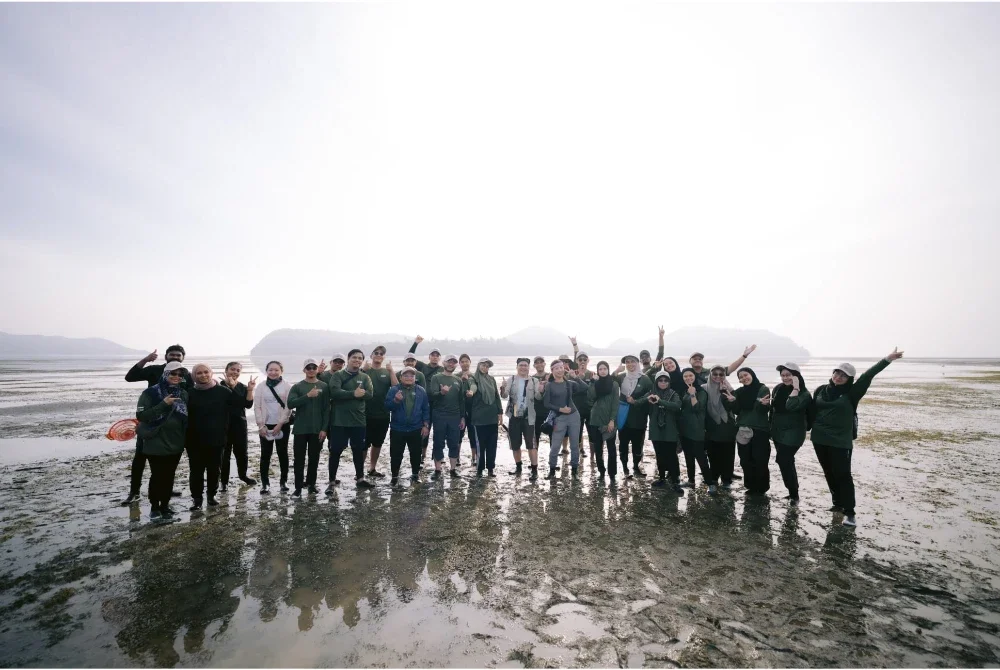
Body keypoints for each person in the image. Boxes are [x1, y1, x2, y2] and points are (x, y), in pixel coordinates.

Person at [811, 348, 904, 527]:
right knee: (829, 472)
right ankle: (837, 504)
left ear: (849, 379)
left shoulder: (852, 393)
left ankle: (850, 512)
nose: (838, 377)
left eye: (843, 376)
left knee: (843, 475)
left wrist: (887, 359)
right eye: (836, 373)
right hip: (819, 439)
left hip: (840, 441)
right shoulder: (821, 390)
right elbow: (811, 411)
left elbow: (867, 376)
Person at [119, 344, 194, 506]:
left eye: (178, 356)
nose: (175, 357)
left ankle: (165, 490)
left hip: (172, 427)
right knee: (140, 457)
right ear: (166, 356)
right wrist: (145, 360)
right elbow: (129, 377)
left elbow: (192, 394)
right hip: (151, 424)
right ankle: (134, 492)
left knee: (168, 463)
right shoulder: (154, 370)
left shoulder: (185, 374)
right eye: (172, 355)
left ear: (182, 358)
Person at [186, 363, 256, 510]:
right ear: (194, 376)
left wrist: (234, 387)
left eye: (206, 372)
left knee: (214, 469)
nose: (203, 375)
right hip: (194, 439)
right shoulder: (189, 393)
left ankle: (211, 496)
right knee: (196, 471)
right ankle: (197, 499)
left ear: (211, 373)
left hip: (216, 438)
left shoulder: (223, 391)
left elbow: (244, 403)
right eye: (199, 373)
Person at [135, 361, 189, 521]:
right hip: (156, 441)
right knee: (157, 475)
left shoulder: (183, 393)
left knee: (170, 475)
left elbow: (186, 418)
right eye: (173, 373)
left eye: (180, 374)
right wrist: (163, 404)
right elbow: (142, 416)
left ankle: (165, 506)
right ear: (165, 374)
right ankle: (154, 507)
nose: (177, 377)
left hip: (176, 442)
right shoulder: (150, 393)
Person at [327, 349, 376, 491]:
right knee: (335, 450)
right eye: (354, 357)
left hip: (358, 420)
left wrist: (361, 393)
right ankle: (331, 482)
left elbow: (370, 394)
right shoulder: (338, 375)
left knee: (358, 449)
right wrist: (353, 393)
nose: (357, 360)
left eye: (360, 358)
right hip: (339, 421)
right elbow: (334, 392)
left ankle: (360, 478)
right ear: (348, 359)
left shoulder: (365, 377)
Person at [286, 359, 330, 497]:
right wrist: (308, 396)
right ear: (304, 370)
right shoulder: (297, 387)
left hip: (317, 429)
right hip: (300, 429)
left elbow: (326, 409)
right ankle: (298, 487)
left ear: (317, 369)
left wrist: (324, 429)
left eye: (313, 367)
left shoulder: (324, 386)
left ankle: (311, 484)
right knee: (299, 459)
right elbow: (290, 404)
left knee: (314, 458)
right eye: (308, 367)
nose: (311, 369)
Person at [770, 362, 811, 504]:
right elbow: (773, 409)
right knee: (786, 462)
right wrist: (770, 427)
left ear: (796, 376)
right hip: (777, 432)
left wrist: (796, 388)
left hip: (794, 432)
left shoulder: (804, 394)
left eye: (789, 375)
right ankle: (793, 492)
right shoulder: (777, 388)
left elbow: (791, 405)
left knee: (783, 459)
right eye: (783, 375)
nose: (785, 378)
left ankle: (794, 494)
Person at [383, 367, 430, 486]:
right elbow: (387, 407)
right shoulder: (394, 390)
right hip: (398, 428)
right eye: (406, 375)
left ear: (415, 378)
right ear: (400, 377)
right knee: (395, 454)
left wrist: (426, 424)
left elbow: (425, 409)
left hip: (415, 428)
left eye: (411, 376)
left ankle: (415, 474)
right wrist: (396, 401)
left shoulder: (421, 391)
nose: (409, 378)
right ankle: (394, 476)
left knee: (415, 453)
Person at [542, 360, 588, 480]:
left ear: (564, 369)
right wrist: (560, 409)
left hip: (574, 416)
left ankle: (574, 471)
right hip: (559, 418)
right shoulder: (550, 385)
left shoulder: (570, 383)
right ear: (552, 371)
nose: (559, 370)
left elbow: (585, 387)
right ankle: (552, 471)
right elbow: (546, 403)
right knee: (555, 446)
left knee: (574, 445)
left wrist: (576, 377)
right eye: (556, 368)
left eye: (561, 367)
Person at [501, 358, 543, 480]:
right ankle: (518, 468)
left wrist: (541, 390)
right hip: (514, 416)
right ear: (517, 367)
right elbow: (504, 396)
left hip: (529, 417)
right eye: (521, 365)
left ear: (529, 367)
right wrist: (503, 388)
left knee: (532, 444)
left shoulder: (534, 381)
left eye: (525, 365)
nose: (523, 367)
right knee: (515, 444)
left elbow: (538, 398)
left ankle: (534, 470)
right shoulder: (512, 379)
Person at [253, 361, 292, 494]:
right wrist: (261, 425)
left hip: (282, 425)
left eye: (276, 370)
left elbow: (288, 407)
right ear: (266, 371)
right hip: (265, 425)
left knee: (282, 453)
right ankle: (265, 483)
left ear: (281, 371)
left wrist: (280, 423)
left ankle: (283, 481)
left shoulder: (287, 386)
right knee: (265, 454)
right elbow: (257, 406)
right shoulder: (261, 387)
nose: (273, 372)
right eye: (270, 370)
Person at [732, 367, 772, 496]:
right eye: (741, 377)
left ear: (752, 375)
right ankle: (750, 486)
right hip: (743, 428)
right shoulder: (738, 392)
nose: (744, 378)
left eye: (746, 375)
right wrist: (732, 402)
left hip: (759, 429)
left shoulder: (762, 389)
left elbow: (761, 411)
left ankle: (762, 488)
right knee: (745, 459)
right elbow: (736, 411)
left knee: (760, 459)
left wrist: (764, 405)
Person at [218, 361, 257, 491]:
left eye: (237, 370)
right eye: (232, 369)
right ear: (226, 370)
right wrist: (231, 387)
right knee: (225, 454)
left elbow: (247, 404)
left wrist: (250, 390)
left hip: (239, 423)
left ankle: (243, 476)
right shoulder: (218, 386)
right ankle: (224, 481)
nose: (235, 372)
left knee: (242, 453)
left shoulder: (243, 387)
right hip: (223, 424)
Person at [428, 354, 466, 478]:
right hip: (439, 415)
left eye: (454, 362)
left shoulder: (458, 380)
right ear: (444, 363)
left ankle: (453, 469)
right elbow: (432, 396)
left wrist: (462, 417)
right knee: (438, 442)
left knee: (454, 442)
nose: (451, 364)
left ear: (456, 365)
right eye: (449, 362)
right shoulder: (436, 378)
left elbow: (461, 400)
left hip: (454, 416)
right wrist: (441, 393)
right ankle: (438, 470)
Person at [615, 354, 653, 478]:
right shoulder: (621, 377)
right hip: (624, 417)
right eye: (627, 362)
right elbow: (607, 383)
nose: (630, 364)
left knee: (638, 445)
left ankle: (636, 467)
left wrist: (637, 401)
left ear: (638, 363)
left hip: (639, 418)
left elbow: (651, 394)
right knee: (623, 444)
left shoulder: (645, 379)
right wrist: (616, 370)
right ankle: (625, 468)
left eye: (633, 362)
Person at [678, 368, 715, 493]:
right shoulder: (685, 391)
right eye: (685, 376)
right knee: (688, 456)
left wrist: (693, 394)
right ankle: (691, 481)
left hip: (697, 429)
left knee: (701, 457)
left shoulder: (701, 391)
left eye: (690, 375)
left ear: (695, 376)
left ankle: (710, 483)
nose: (688, 378)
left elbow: (698, 408)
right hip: (685, 428)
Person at [647, 371, 684, 493]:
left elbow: (677, 406)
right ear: (656, 382)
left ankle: (675, 480)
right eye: (660, 380)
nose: (663, 383)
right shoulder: (651, 394)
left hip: (670, 430)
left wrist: (660, 401)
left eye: (665, 380)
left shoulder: (673, 394)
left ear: (669, 382)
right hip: (655, 430)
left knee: (672, 456)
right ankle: (662, 477)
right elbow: (639, 403)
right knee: (659, 455)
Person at [704, 365, 739, 490]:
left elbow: (734, 409)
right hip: (711, 426)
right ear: (710, 375)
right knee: (713, 455)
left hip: (728, 426)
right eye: (715, 374)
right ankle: (713, 479)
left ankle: (726, 480)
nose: (718, 376)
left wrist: (726, 394)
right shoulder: (704, 389)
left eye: (721, 374)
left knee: (728, 455)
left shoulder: (729, 389)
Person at [408, 336, 443, 458]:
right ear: (429, 357)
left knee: (438, 431)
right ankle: (422, 455)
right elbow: (410, 356)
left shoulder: (442, 369)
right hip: (424, 404)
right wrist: (415, 343)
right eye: (432, 355)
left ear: (439, 358)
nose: (435, 357)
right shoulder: (422, 366)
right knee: (424, 430)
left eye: (437, 355)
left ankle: (437, 455)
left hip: (438, 404)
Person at [362, 345, 394, 479]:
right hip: (364, 414)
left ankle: (372, 468)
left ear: (384, 357)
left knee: (378, 443)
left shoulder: (387, 372)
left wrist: (392, 371)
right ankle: (359, 470)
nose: (379, 355)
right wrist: (362, 370)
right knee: (364, 444)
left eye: (382, 353)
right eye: (376, 353)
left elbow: (396, 387)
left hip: (383, 414)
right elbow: (354, 383)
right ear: (371, 355)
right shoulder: (365, 371)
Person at [469, 358, 504, 478]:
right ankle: (479, 469)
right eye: (483, 365)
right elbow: (473, 386)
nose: (485, 368)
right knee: (480, 445)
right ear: (478, 366)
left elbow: (496, 396)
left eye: (487, 366)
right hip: (479, 418)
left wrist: (500, 413)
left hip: (492, 417)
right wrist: (471, 392)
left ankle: (490, 469)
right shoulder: (473, 378)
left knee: (492, 444)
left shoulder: (491, 379)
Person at [586, 361, 620, 485]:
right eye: (600, 369)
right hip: (595, 420)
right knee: (598, 449)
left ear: (608, 369)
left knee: (611, 449)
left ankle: (612, 474)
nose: (603, 371)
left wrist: (612, 420)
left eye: (605, 368)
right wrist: (592, 383)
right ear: (598, 371)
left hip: (609, 421)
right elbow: (590, 398)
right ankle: (601, 471)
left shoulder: (614, 384)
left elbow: (615, 403)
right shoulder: (595, 383)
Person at [689, 345, 757, 386]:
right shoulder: (686, 374)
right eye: (695, 359)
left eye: (700, 359)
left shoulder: (711, 372)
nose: (698, 360)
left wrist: (744, 356)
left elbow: (730, 369)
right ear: (690, 361)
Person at [457, 353, 479, 467]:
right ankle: (457, 457)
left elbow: (477, 390)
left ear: (470, 362)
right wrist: (462, 380)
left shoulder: (475, 376)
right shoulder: (456, 376)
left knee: (472, 433)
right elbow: (454, 392)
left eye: (467, 361)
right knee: (459, 434)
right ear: (459, 364)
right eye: (462, 361)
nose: (465, 363)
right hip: (460, 410)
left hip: (473, 410)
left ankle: (474, 457)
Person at [571, 351, 595, 458]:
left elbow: (593, 391)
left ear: (588, 361)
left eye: (584, 360)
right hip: (576, 409)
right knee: (577, 433)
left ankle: (592, 457)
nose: (582, 362)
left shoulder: (592, 374)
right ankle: (579, 453)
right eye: (580, 360)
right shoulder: (571, 374)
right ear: (576, 361)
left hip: (590, 409)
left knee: (592, 434)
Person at [531, 356, 550, 446]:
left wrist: (548, 382)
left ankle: (552, 459)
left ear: (544, 364)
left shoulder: (551, 376)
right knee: (535, 438)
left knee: (553, 437)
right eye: (537, 363)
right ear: (534, 365)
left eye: (541, 362)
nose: (539, 364)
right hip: (536, 412)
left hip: (550, 412)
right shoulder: (531, 379)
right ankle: (535, 459)